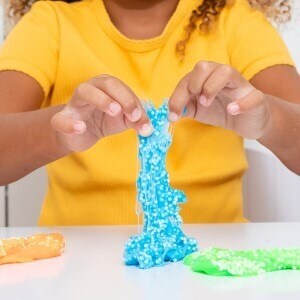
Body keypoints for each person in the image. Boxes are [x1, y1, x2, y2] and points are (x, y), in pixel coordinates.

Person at [0, 0, 299, 225]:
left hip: (212, 267)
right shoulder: (51, 22)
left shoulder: (234, 21)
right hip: (75, 265)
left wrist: (267, 119)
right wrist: (60, 132)